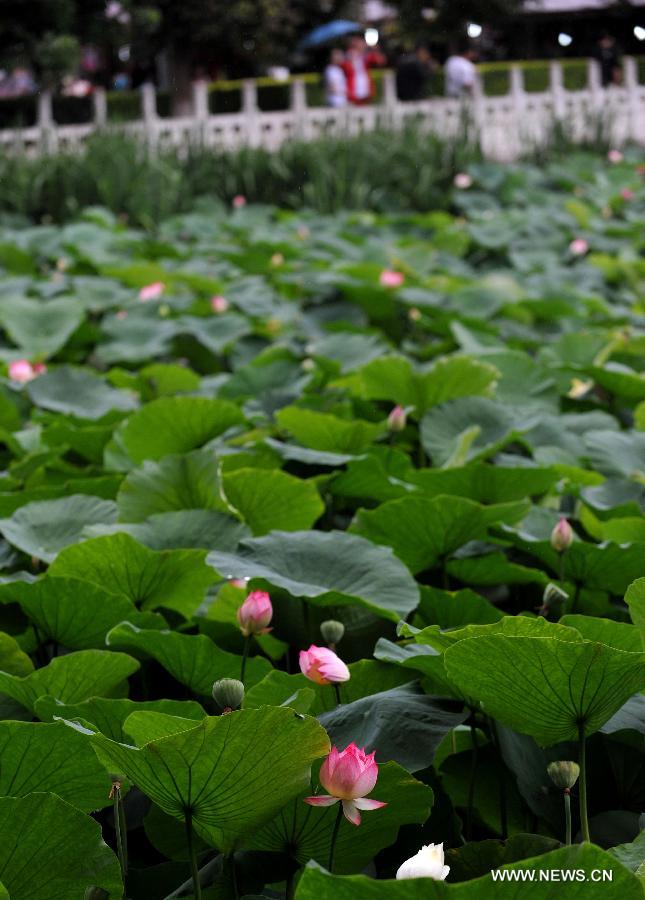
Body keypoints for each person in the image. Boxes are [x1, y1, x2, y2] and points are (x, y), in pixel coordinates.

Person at [341, 35, 386, 105]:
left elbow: (381, 61)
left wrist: (375, 50)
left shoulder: (365, 56)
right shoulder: (348, 55)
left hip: (366, 87)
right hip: (353, 88)